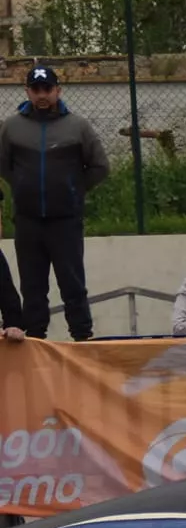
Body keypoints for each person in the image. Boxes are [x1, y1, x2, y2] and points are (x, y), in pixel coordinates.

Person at [0, 65, 109, 341]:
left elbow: (99, 166)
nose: (42, 95)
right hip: (27, 221)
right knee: (33, 287)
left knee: (72, 284)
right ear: (27, 92)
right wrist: (22, 185)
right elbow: (3, 166)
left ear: (58, 90)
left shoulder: (78, 126)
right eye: (36, 90)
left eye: (47, 89)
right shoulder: (11, 128)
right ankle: (35, 341)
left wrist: (75, 190)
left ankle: (83, 339)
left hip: (65, 221)